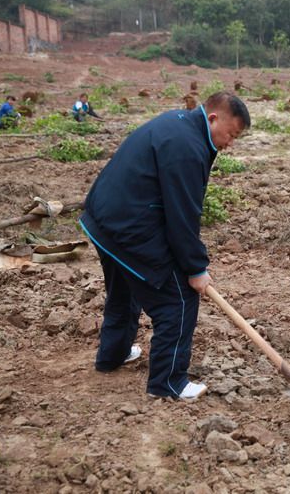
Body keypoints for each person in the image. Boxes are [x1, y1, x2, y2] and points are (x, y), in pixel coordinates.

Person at [79, 92, 250, 399]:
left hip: (103, 220)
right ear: (213, 119)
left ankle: (112, 355)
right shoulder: (187, 147)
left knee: (124, 289)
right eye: (231, 134)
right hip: (128, 226)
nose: (230, 143)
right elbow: (182, 214)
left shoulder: (178, 123)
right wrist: (196, 268)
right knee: (178, 299)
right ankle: (168, 382)